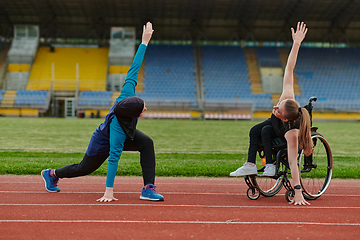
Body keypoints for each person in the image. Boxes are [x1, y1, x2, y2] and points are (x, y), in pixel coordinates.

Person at [41, 22, 164, 202]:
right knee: (84, 168)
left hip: (125, 131)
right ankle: (51, 174)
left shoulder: (127, 93)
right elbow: (114, 158)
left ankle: (148, 188)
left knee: (147, 143)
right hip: (102, 141)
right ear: (132, 113)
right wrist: (109, 191)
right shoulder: (117, 128)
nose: (144, 109)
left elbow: (134, 69)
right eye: (142, 109)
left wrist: (144, 42)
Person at [232, 22, 312, 206]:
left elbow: (293, 163)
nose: (275, 108)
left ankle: (271, 165)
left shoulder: (292, 132)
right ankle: (252, 164)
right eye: (278, 105)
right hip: (274, 127)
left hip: (282, 134)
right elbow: (289, 68)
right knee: (257, 130)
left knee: (267, 131)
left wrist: (298, 191)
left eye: (278, 111)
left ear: (285, 118)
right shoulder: (287, 96)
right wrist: (297, 43)